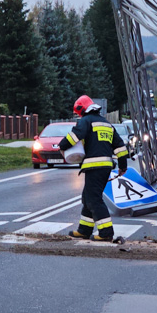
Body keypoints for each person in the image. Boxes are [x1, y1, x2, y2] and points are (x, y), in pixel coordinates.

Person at [58, 95, 128, 241]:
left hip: (94, 166)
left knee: (94, 199)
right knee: (87, 197)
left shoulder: (86, 121)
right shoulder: (107, 124)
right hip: (105, 166)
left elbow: (75, 136)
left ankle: (106, 232)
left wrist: (62, 145)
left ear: (82, 109)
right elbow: (120, 147)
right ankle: (84, 230)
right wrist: (123, 166)